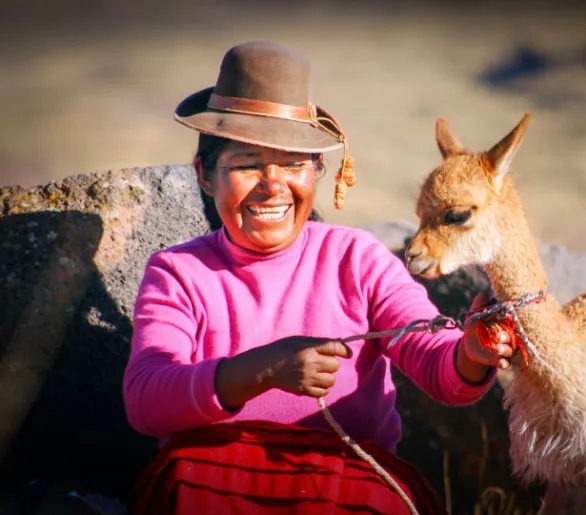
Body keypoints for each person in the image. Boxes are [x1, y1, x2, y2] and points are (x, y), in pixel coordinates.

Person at [122, 41, 514, 515]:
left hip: (347, 484)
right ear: (205, 175)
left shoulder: (357, 259)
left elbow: (431, 358)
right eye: (246, 163)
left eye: (293, 164)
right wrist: (264, 371)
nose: (273, 184)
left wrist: (471, 353)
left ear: (317, 172)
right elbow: (146, 400)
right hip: (210, 482)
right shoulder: (179, 273)